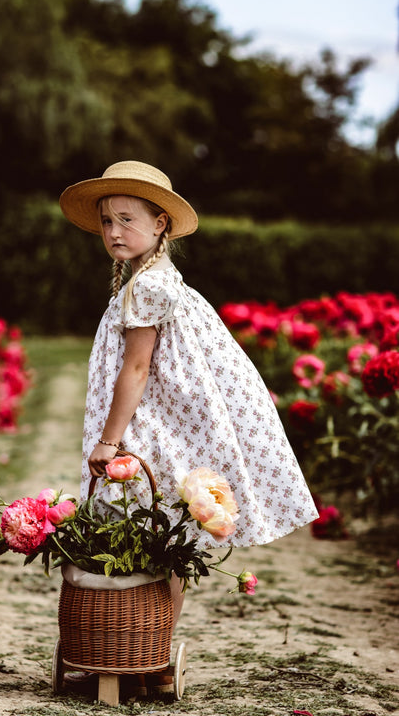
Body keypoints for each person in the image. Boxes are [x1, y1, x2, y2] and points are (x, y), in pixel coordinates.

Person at [59, 160, 318, 693]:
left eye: (127, 220)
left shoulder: (149, 287)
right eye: (107, 221)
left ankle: (143, 649)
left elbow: (136, 368)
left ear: (160, 225)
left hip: (156, 419)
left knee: (145, 527)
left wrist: (110, 440)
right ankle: (136, 647)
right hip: (169, 414)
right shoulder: (152, 278)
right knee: (160, 535)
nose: (113, 232)